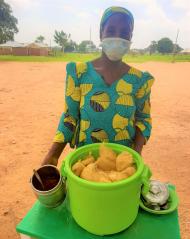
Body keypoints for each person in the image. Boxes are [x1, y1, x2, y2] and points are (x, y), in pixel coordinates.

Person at [42, 6, 155, 166]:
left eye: (124, 33)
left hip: (121, 165)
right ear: (101, 32)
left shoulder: (139, 80)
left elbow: (143, 120)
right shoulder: (79, 73)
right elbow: (70, 117)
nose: (117, 37)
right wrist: (53, 155)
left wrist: (134, 157)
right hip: (85, 162)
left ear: (130, 37)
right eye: (111, 30)